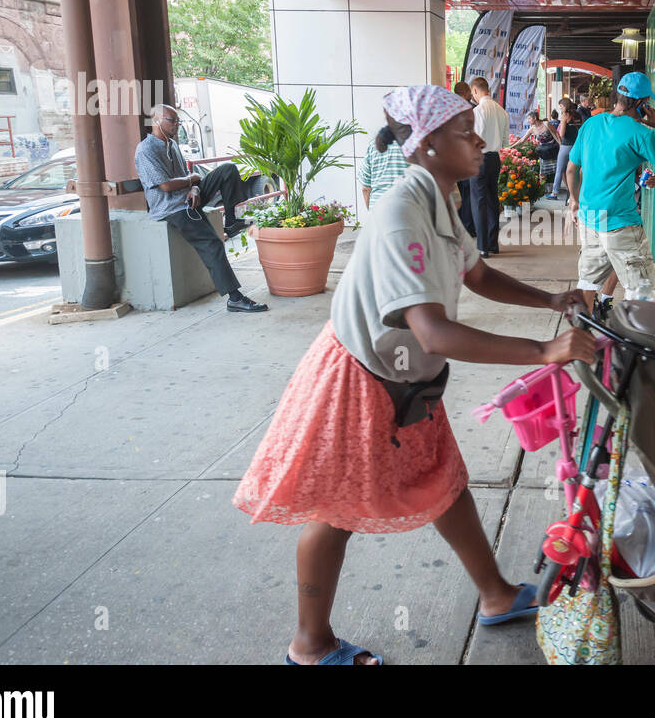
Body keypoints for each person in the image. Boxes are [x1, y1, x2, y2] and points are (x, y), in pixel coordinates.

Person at [233, 85, 595, 665]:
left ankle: (496, 595)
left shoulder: (440, 198)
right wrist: (544, 350)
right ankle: (310, 645)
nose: (479, 141)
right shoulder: (402, 210)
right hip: (361, 379)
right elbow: (434, 332)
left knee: (444, 481)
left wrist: (553, 300)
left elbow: (475, 275)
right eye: (464, 133)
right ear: (425, 146)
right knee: (337, 510)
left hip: (407, 381)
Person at [133, 104, 267, 314]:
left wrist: (195, 187)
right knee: (212, 243)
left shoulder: (173, 145)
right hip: (171, 207)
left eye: (178, 121)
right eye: (172, 120)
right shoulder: (146, 150)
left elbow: (191, 178)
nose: (177, 125)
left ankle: (231, 220)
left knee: (227, 169)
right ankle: (235, 298)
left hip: (188, 197)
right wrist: (191, 181)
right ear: (157, 121)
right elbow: (166, 185)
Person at [566, 71, 655, 309]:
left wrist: (573, 201)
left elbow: (570, 169)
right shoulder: (640, 133)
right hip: (620, 221)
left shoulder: (591, 123)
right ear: (641, 103)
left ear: (618, 96)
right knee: (641, 288)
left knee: (587, 282)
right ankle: (633, 340)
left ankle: (581, 335)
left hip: (590, 217)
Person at [469, 77, 507, 258]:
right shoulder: (502, 112)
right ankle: (492, 244)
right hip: (495, 158)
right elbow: (506, 142)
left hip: (479, 158)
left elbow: (474, 141)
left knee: (479, 202)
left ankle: (482, 246)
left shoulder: (477, 112)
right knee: (493, 200)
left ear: (475, 91)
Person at [358, 125, 408, 210]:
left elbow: (366, 188)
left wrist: (372, 213)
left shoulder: (374, 144)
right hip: (406, 211)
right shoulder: (415, 145)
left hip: (377, 210)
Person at [453, 81, 477, 238]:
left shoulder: (449, 109)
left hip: (454, 155)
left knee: (457, 193)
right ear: (466, 92)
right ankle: (468, 227)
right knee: (468, 193)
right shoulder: (473, 109)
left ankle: (458, 226)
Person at [549, 97, 583, 200]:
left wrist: (558, 129)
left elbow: (562, 134)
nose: (560, 109)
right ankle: (575, 192)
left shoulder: (565, 116)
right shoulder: (578, 115)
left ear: (565, 106)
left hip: (566, 146)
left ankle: (554, 193)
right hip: (577, 145)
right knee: (576, 170)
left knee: (560, 169)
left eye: (561, 106)